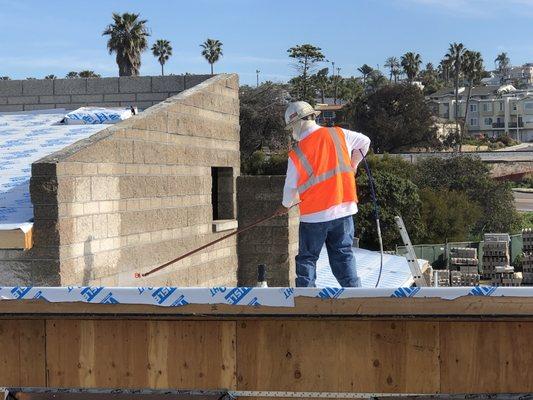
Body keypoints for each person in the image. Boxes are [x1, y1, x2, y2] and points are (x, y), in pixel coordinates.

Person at [276, 101, 371, 287]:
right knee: (343, 255)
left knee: (307, 259)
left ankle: (306, 302)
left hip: (314, 215)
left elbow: (290, 187)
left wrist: (284, 206)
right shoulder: (339, 134)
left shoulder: (297, 152)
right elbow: (365, 142)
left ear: (296, 123)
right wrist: (354, 165)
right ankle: (354, 299)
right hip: (344, 208)